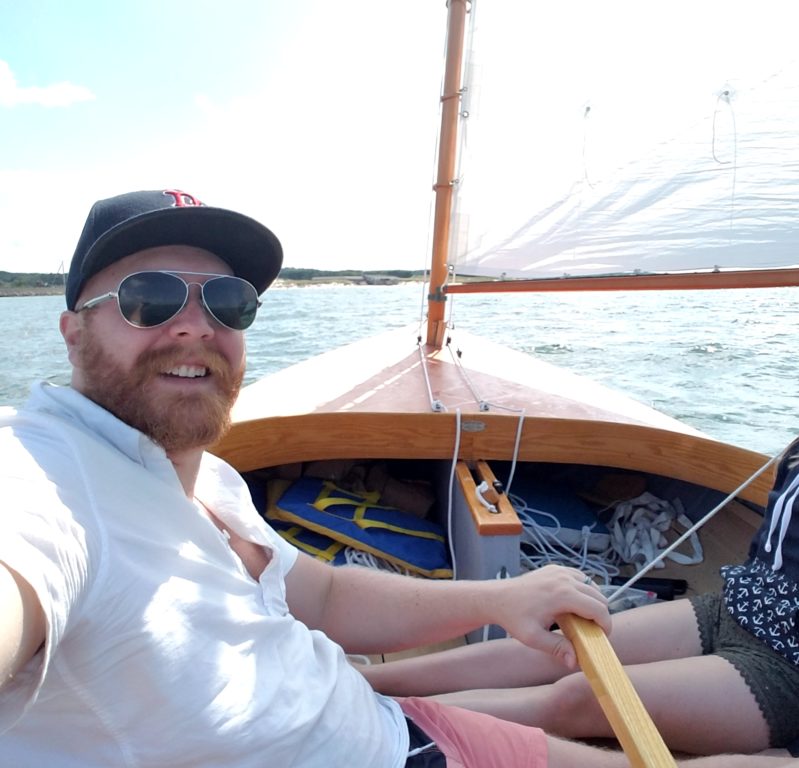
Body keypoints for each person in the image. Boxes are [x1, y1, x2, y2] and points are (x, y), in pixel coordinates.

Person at [0, 188, 638, 768]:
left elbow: (326, 598)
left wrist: (499, 598)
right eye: (150, 298)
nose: (195, 324)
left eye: (227, 302)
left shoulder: (209, 479)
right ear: (73, 333)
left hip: (390, 727)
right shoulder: (45, 479)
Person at [362, 305, 799, 757]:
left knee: (575, 697)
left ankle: (375, 733)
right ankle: (363, 681)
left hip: (793, 673)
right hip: (728, 613)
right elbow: (767, 560)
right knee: (561, 647)